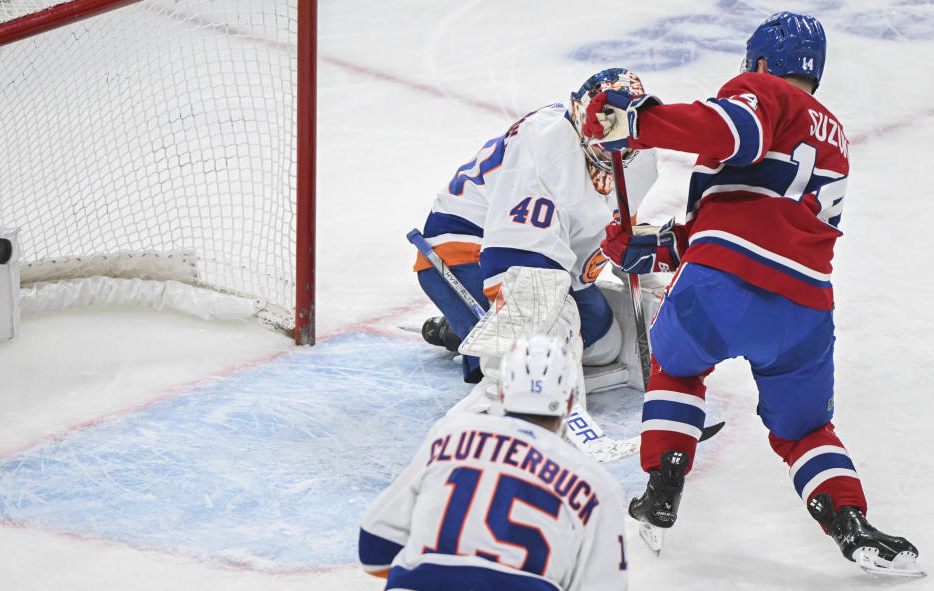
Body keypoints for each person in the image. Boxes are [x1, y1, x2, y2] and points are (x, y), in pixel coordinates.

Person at [597, 11, 923, 576]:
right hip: (804, 310)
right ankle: (851, 524)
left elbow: (730, 134)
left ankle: (662, 486)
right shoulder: (834, 136)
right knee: (804, 430)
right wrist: (652, 247)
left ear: (764, 63)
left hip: (721, 287)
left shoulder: (763, 91)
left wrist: (642, 122)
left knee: (675, 367)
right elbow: (751, 216)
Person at [414, 68, 659, 399]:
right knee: (538, 338)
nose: (612, 146)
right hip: (468, 243)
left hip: (551, 250)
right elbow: (518, 262)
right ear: (580, 116)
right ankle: (477, 345)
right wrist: (536, 357)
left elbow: (612, 228)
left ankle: (464, 332)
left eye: (623, 134)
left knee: (604, 344)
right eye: (602, 128)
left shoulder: (642, 155)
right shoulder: (545, 145)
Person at [358, 334, 629, 590]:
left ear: (502, 393)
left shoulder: (451, 435)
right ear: (570, 403)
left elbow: (374, 547)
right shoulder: (597, 486)